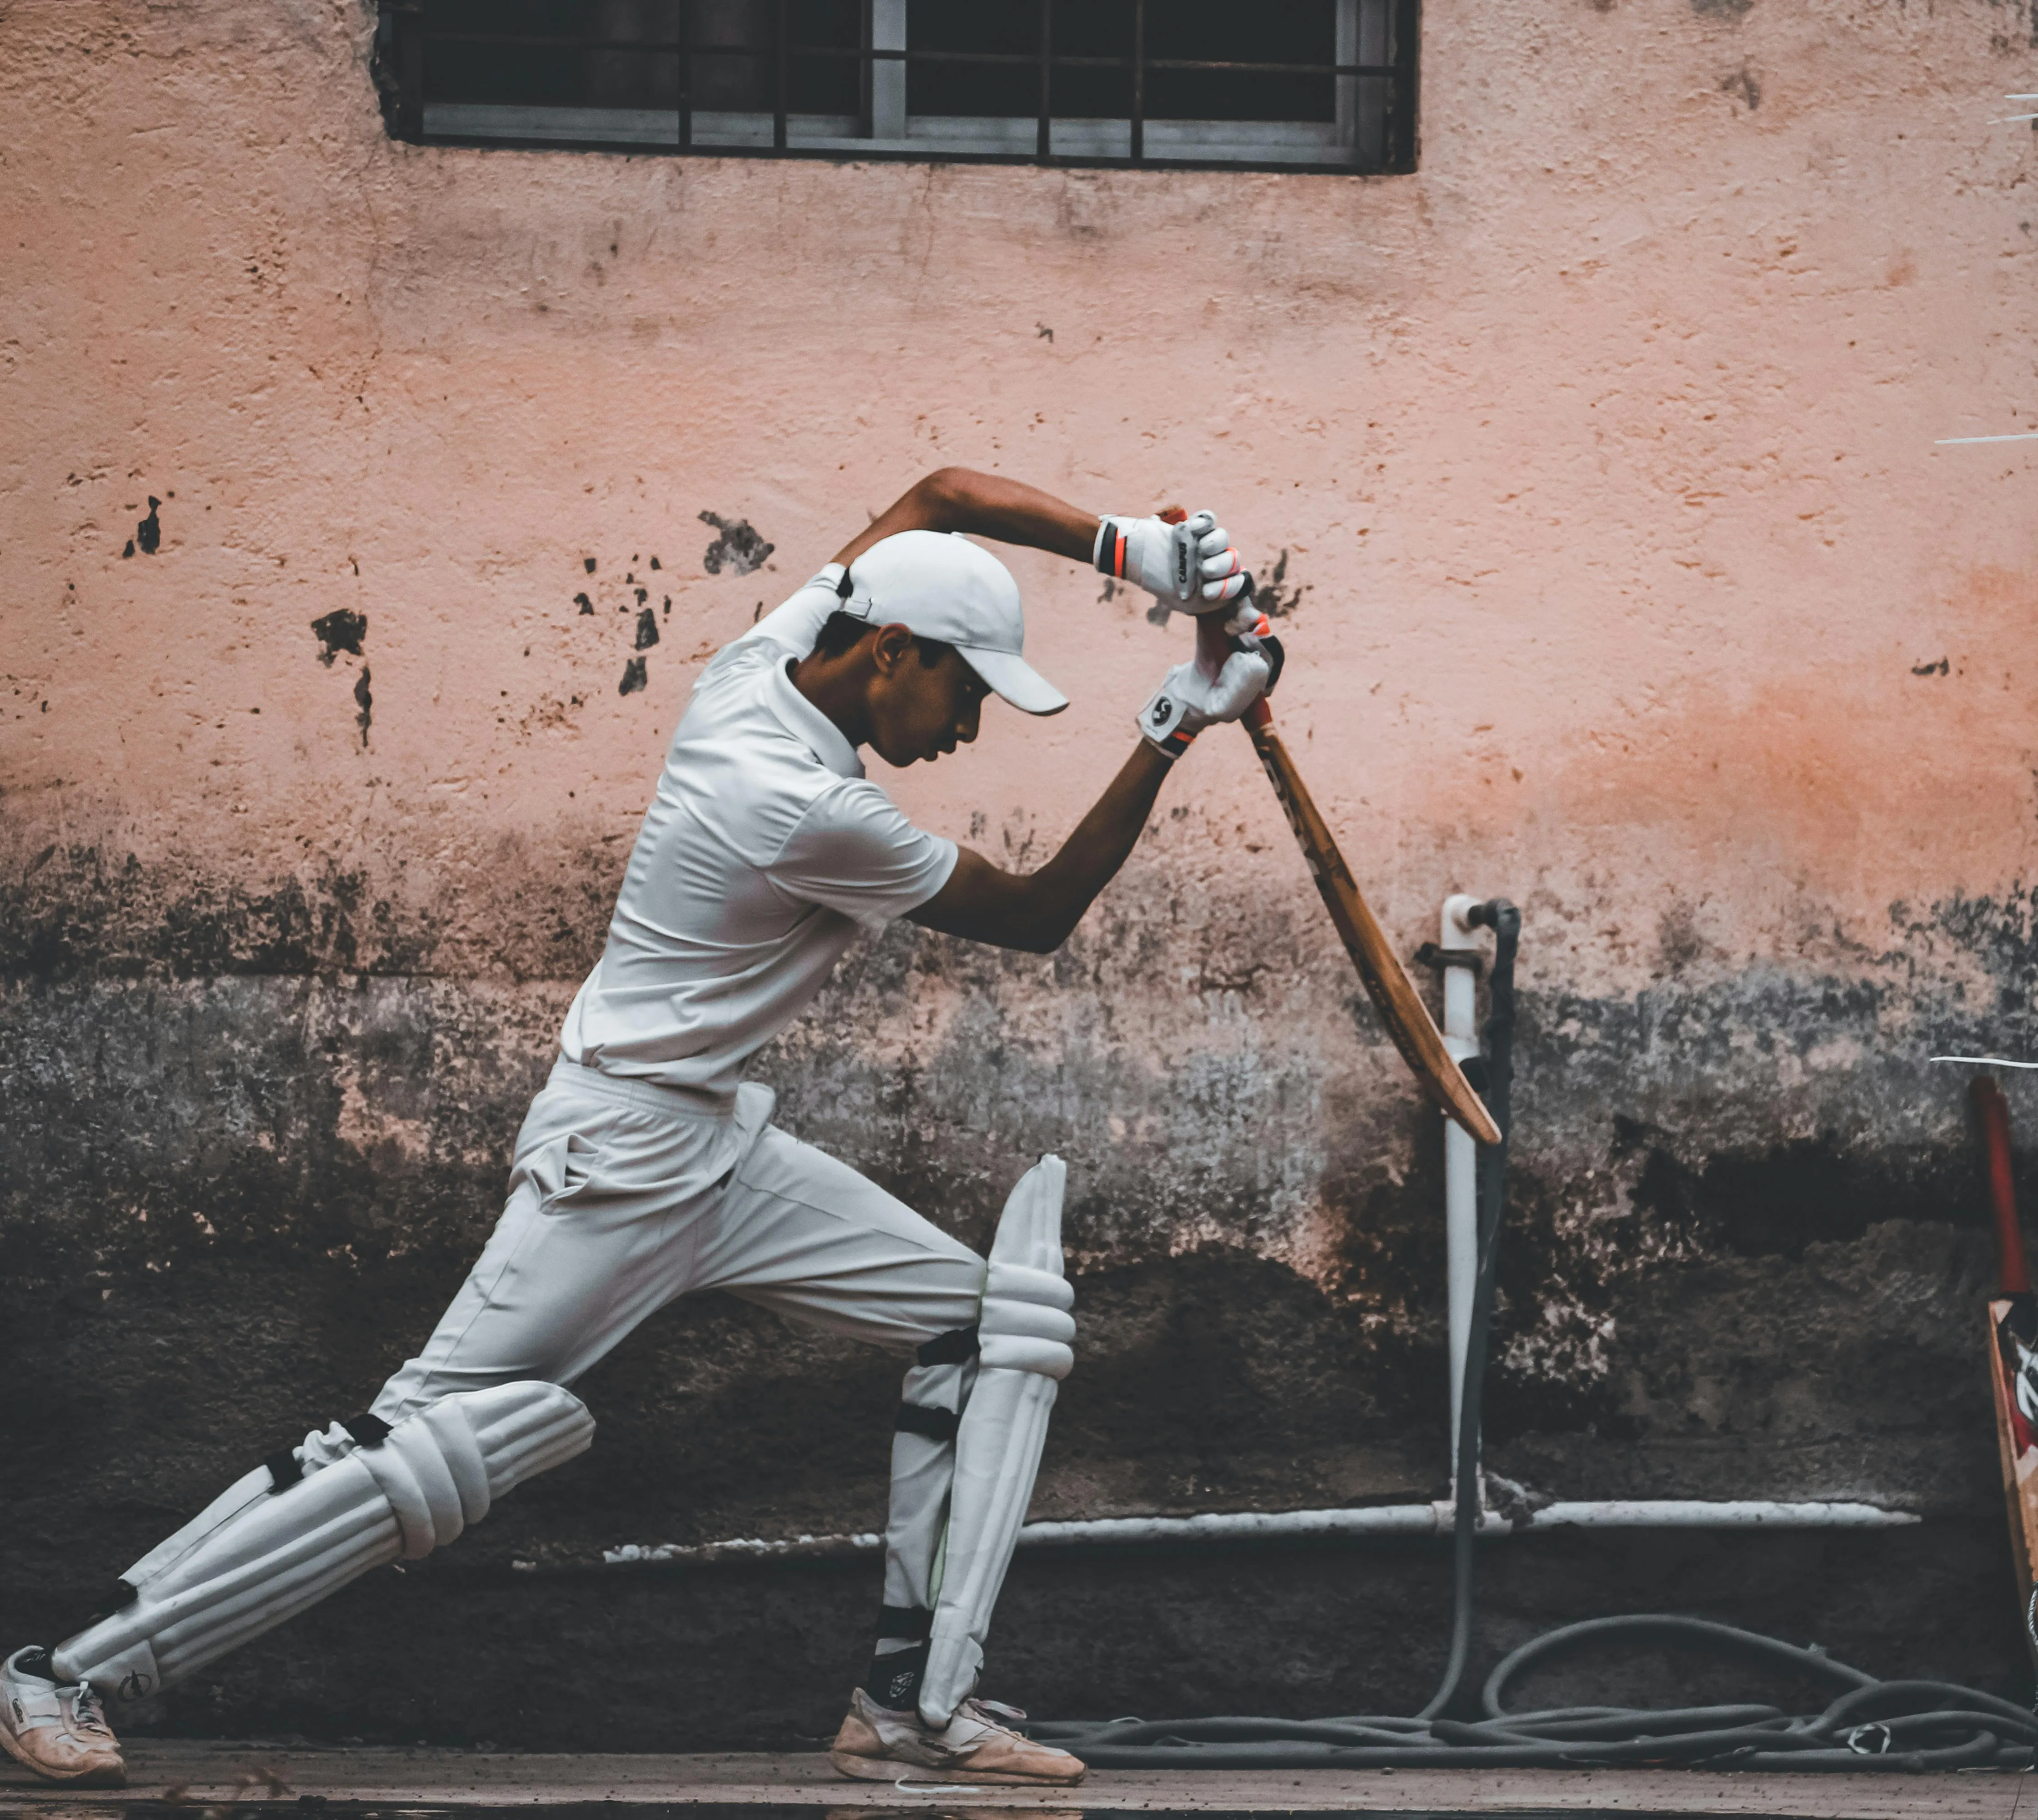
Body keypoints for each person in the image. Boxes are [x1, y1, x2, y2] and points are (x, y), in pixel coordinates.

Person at [0, 469, 1283, 1790]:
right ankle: (70, 1671)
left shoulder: (766, 662)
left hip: (718, 1148)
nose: (971, 723)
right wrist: (1178, 719)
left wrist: (1135, 552)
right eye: (966, 688)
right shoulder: (805, 807)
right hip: (616, 1165)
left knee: (986, 1325)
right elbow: (1036, 914)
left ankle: (908, 1705)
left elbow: (941, 492)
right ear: (891, 655)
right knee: (406, 1456)